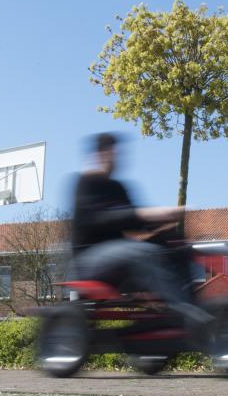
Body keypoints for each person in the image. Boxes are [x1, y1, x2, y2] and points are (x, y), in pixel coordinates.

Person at [70, 132, 213, 333]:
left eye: (118, 155)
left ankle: (192, 305)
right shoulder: (85, 184)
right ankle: (183, 311)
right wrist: (145, 214)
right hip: (90, 259)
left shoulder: (118, 187)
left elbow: (138, 224)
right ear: (99, 155)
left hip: (119, 256)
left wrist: (166, 223)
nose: (116, 160)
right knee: (140, 251)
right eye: (112, 154)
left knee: (174, 244)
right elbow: (99, 219)